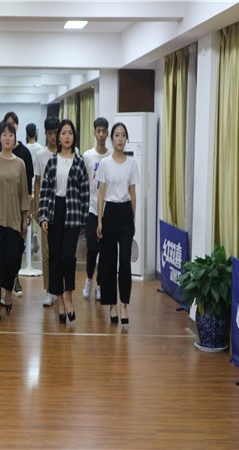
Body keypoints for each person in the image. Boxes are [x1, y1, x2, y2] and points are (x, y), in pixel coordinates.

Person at [38, 119, 89, 324]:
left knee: (68, 257)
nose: (67, 136)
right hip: (54, 211)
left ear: (74, 137)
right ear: (58, 137)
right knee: (56, 258)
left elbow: (85, 192)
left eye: (70, 133)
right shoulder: (52, 161)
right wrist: (42, 216)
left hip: (73, 213)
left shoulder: (79, 161)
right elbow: (45, 190)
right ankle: (59, 300)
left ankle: (68, 297)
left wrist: (83, 219)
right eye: (63, 133)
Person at [0, 121, 30, 322]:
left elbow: (24, 193)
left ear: (15, 138)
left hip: (14, 220)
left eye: (10, 134)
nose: (7, 138)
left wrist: (25, 219)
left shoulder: (20, 163)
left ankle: (8, 291)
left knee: (12, 261)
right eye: (4, 134)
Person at [96, 122, 140, 326]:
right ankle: (111, 304)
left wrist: (133, 219)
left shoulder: (132, 163)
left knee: (124, 260)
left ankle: (124, 304)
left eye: (123, 135)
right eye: (117, 135)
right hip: (110, 212)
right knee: (108, 262)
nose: (120, 139)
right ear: (111, 139)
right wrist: (99, 220)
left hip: (125, 213)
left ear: (126, 139)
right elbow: (101, 193)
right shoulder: (105, 163)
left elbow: (133, 193)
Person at [0, 111, 34, 297]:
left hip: (17, 213)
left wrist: (27, 212)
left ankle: (13, 280)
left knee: (15, 253)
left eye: (13, 128)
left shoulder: (23, 155)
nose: (8, 135)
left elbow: (27, 186)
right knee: (0, 256)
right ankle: (2, 290)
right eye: (5, 131)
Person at [82, 117, 111, 301]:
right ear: (94, 133)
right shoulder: (87, 156)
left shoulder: (111, 156)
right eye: (98, 131)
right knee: (92, 246)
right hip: (92, 209)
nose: (101, 135)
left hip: (108, 209)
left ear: (107, 133)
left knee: (105, 250)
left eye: (104, 131)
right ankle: (88, 279)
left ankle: (100, 284)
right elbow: (84, 183)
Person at [33, 116, 59, 306]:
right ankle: (49, 289)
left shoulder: (68, 153)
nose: (53, 137)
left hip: (64, 208)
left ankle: (60, 287)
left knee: (61, 252)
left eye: (56, 133)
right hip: (46, 209)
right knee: (47, 252)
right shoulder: (41, 155)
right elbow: (37, 183)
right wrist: (37, 207)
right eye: (50, 133)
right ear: (45, 134)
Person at [25, 122, 44, 255]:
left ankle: (29, 239)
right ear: (36, 133)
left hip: (28, 186)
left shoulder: (25, 149)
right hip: (38, 186)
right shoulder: (41, 149)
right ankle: (35, 233)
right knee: (36, 212)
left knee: (29, 214)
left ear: (26, 134)